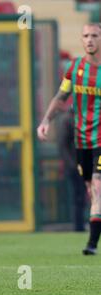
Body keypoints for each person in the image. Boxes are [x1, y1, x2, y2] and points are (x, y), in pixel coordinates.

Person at [37, 23, 101, 255]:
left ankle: (91, 244)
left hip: (100, 141)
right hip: (82, 141)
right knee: (91, 189)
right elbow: (61, 96)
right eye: (85, 36)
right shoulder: (74, 69)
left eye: (94, 35)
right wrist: (45, 121)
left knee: (96, 186)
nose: (90, 40)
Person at [56, 110, 87, 232]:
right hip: (76, 166)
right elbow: (63, 145)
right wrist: (72, 165)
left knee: (84, 196)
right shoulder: (68, 120)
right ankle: (79, 227)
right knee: (79, 196)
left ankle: (83, 225)